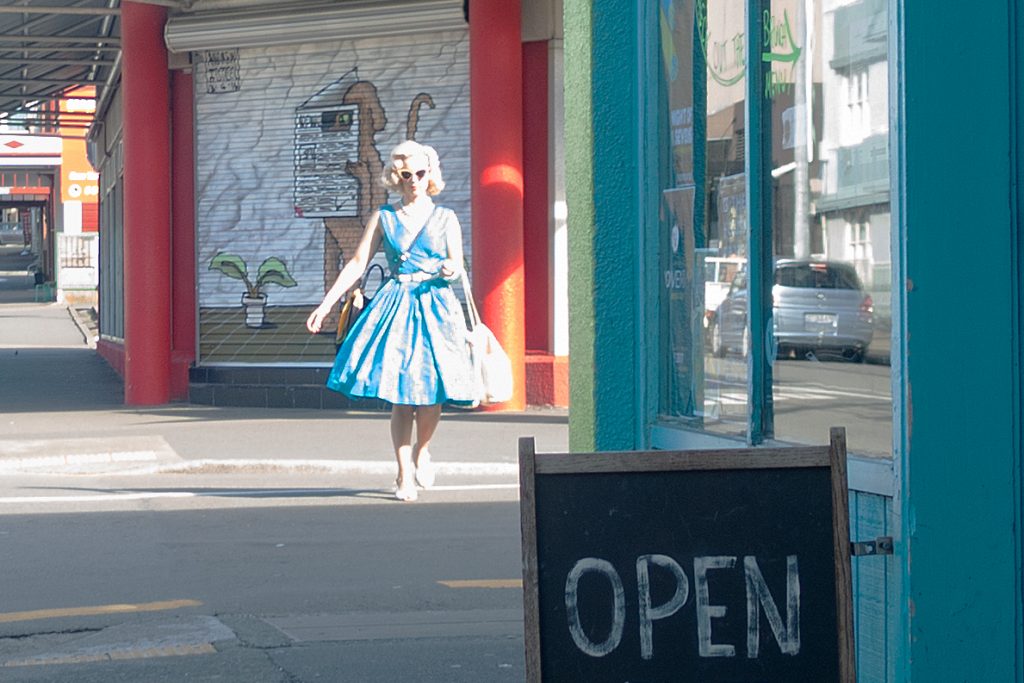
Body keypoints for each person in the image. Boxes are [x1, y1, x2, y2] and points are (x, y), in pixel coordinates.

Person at [306, 140, 477, 502]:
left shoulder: (446, 217)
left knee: (431, 396)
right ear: (395, 177)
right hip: (396, 305)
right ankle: (403, 475)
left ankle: (423, 450)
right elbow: (357, 263)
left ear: (429, 174)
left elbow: (458, 265)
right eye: (405, 174)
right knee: (402, 396)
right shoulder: (384, 216)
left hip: (436, 307)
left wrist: (450, 269)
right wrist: (325, 305)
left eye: (419, 172)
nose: (413, 179)